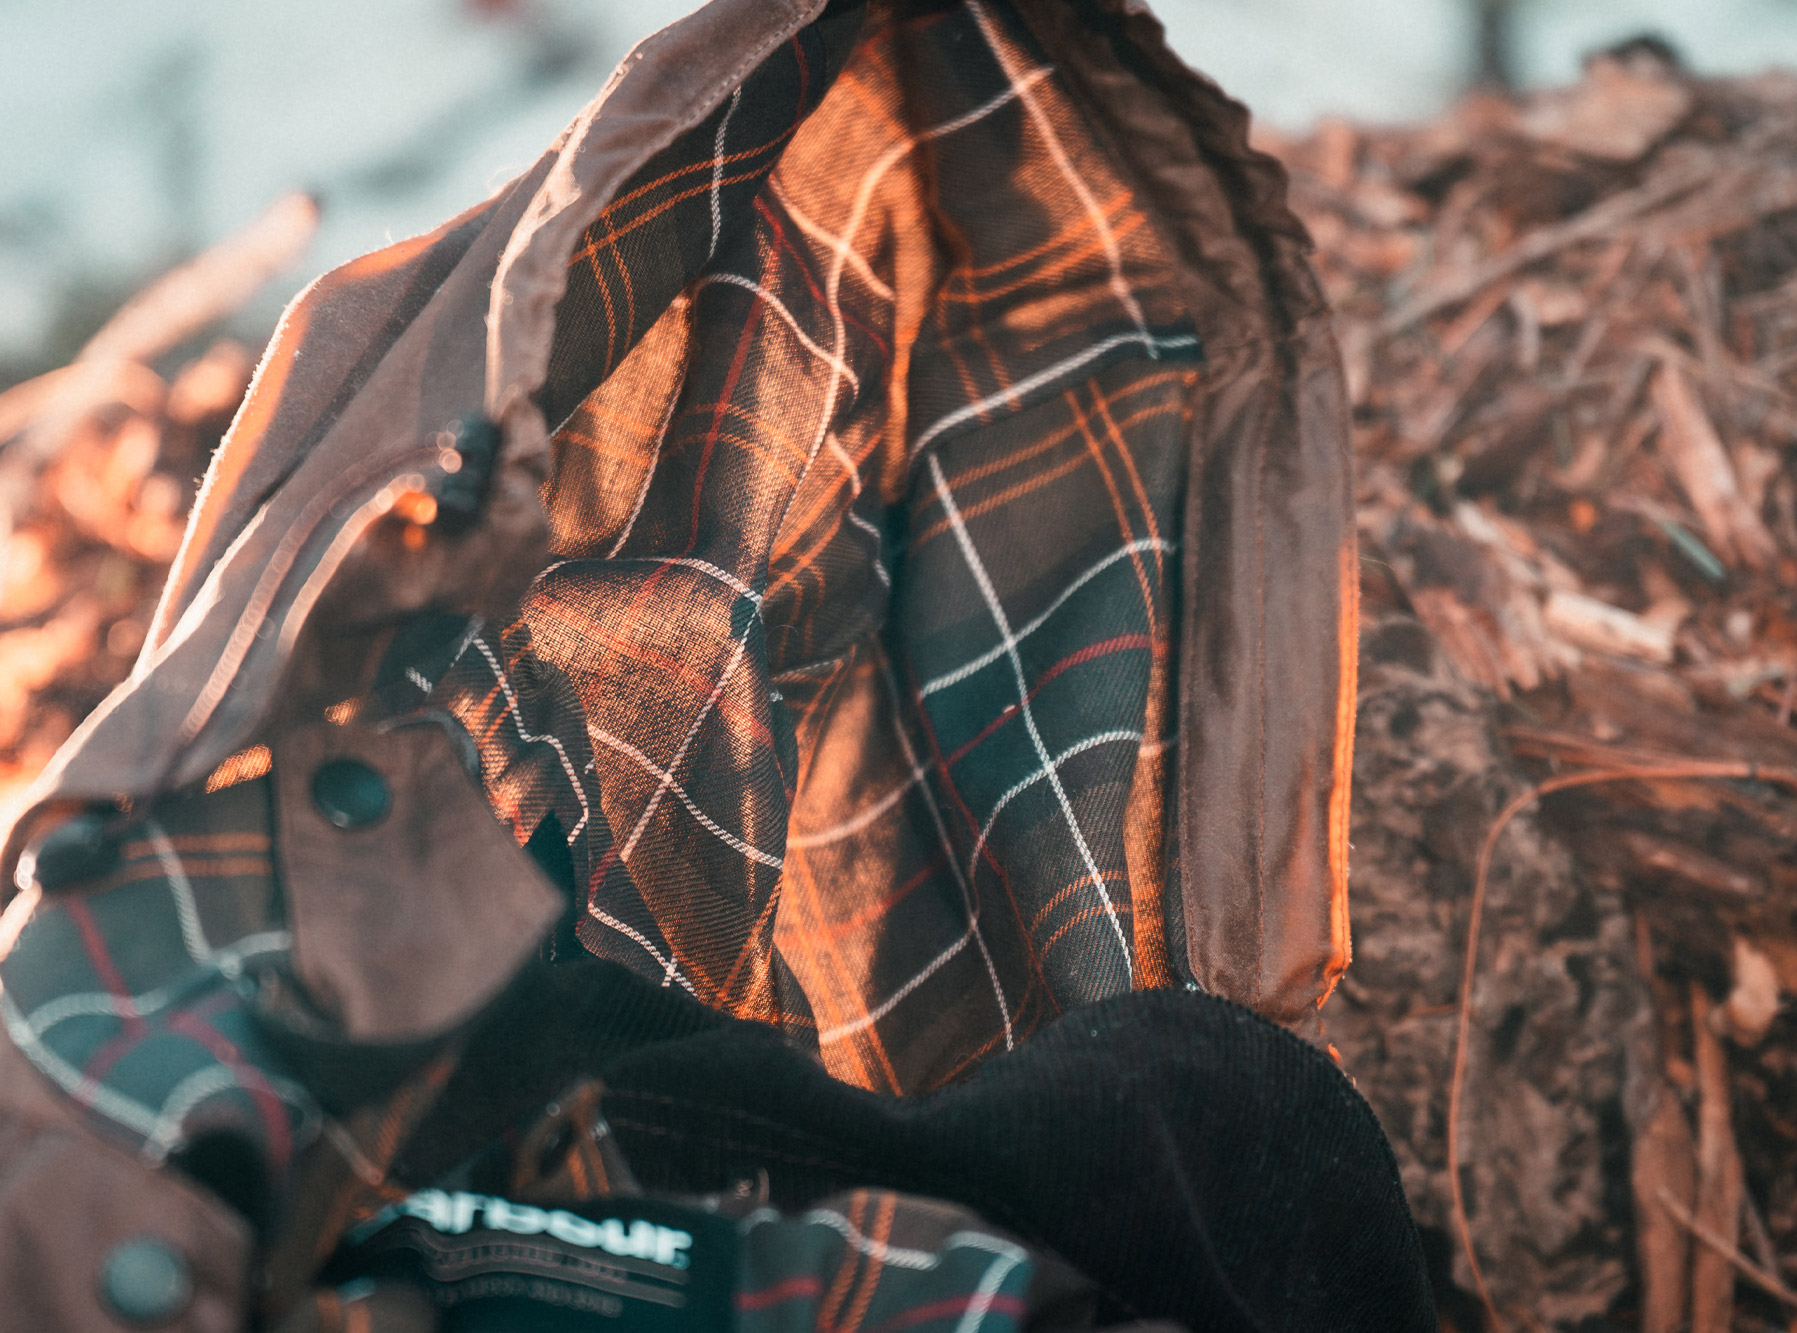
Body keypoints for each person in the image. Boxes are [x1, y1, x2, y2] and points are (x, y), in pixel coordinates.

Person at [0, 0, 1435, 1327]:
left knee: (1187, 1109)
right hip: (331, 1151)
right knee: (1201, 1115)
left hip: (332, 1086)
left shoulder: (144, 1010)